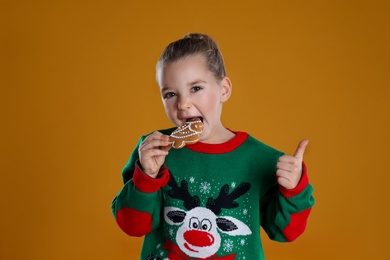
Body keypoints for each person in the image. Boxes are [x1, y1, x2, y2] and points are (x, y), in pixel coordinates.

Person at [111, 33, 315, 260]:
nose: (183, 104)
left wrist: (294, 190)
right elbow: (132, 226)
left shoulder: (262, 160)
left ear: (224, 89)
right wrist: (146, 176)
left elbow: (286, 231)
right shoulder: (152, 152)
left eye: (196, 88)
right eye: (170, 94)